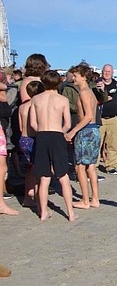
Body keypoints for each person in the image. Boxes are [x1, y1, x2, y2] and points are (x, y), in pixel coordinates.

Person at [28, 70, 77, 222]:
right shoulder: (62, 100)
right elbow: (68, 124)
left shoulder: (36, 99)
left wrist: (43, 132)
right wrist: (60, 133)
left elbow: (33, 123)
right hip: (56, 135)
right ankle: (70, 213)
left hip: (42, 135)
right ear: (58, 82)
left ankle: (43, 212)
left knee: (44, 177)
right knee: (63, 175)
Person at [65, 63, 101, 209]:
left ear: (84, 77)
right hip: (92, 130)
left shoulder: (85, 92)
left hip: (86, 130)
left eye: (76, 75)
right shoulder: (89, 91)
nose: (73, 78)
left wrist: (73, 131)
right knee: (90, 166)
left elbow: (88, 116)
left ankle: (86, 200)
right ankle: (94, 199)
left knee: (80, 166)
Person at [17, 81, 44, 207]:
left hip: (23, 138)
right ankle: (39, 199)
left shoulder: (22, 106)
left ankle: (28, 198)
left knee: (30, 169)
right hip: (33, 138)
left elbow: (21, 126)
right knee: (38, 170)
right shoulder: (37, 105)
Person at [96, 64, 117, 175]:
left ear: (112, 73)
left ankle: (111, 166)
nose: (107, 73)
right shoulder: (97, 84)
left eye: (109, 71)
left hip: (113, 118)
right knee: (97, 143)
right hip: (100, 118)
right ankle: (94, 166)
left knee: (113, 143)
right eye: (105, 71)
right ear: (102, 72)